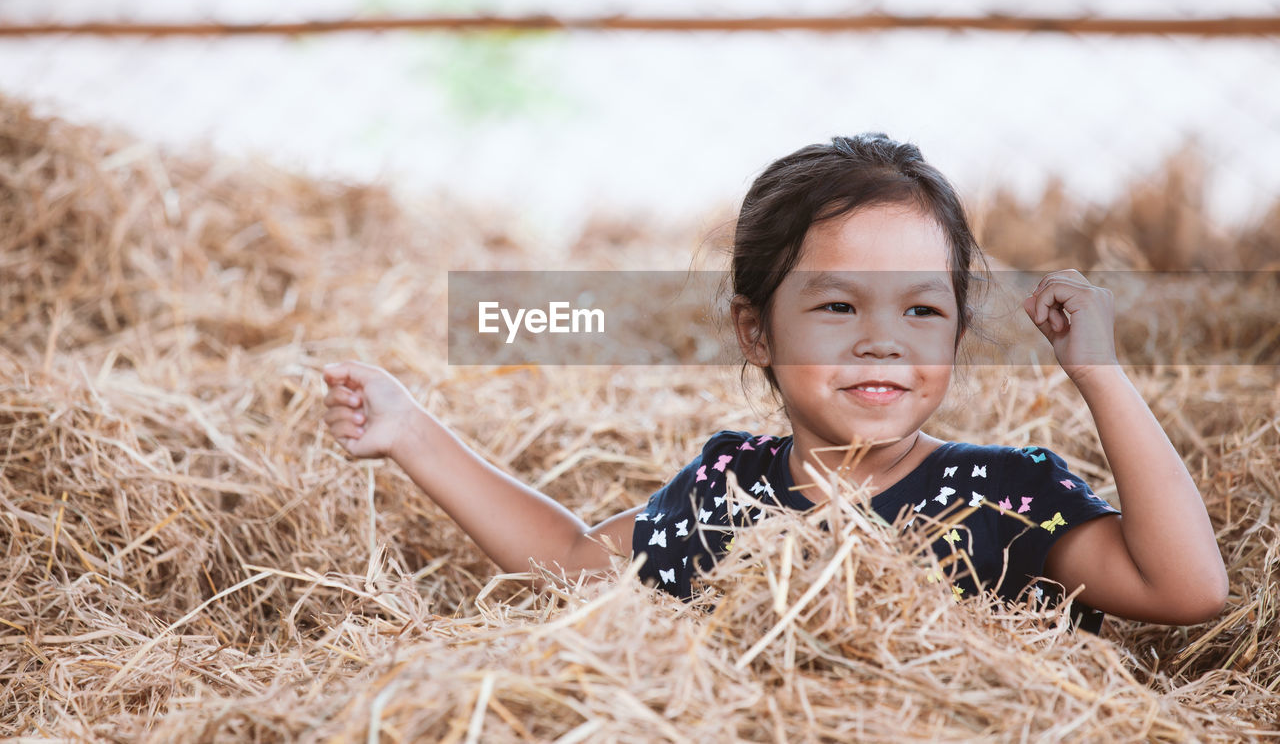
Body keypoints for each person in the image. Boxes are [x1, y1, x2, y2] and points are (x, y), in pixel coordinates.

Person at [321, 133, 1228, 631]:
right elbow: (566, 568)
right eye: (837, 308)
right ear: (756, 330)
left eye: (920, 311)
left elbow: (1185, 590)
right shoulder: (728, 493)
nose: (882, 344)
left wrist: (1101, 378)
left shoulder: (1004, 496)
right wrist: (409, 431)